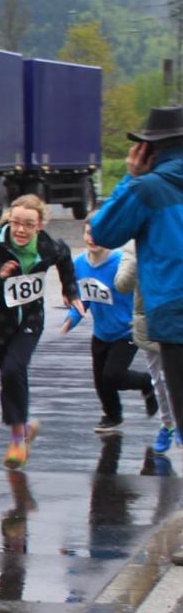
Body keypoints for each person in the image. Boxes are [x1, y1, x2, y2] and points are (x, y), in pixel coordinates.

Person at [91, 106, 183, 470]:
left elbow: (103, 232)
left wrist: (129, 178)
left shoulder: (148, 188)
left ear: (150, 149)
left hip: (175, 315)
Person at [0, 194, 83, 469]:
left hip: (30, 320)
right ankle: (25, 427)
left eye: (28, 224)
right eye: (16, 222)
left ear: (39, 225)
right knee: (12, 375)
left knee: (12, 371)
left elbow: (65, 256)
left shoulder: (47, 247)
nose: (20, 229)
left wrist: (69, 289)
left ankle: (17, 436)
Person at [61, 224, 155, 434]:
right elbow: (82, 300)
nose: (92, 238)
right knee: (101, 382)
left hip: (126, 331)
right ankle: (113, 416)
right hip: (101, 333)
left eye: (100, 233)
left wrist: (144, 317)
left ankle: (147, 382)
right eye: (88, 233)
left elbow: (144, 290)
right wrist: (71, 319)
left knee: (113, 376)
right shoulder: (79, 264)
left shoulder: (121, 262)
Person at [113, 255, 176, 454]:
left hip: (177, 316)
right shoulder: (134, 246)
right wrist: (136, 257)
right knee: (159, 380)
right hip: (150, 320)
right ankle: (167, 425)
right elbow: (122, 285)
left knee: (174, 377)